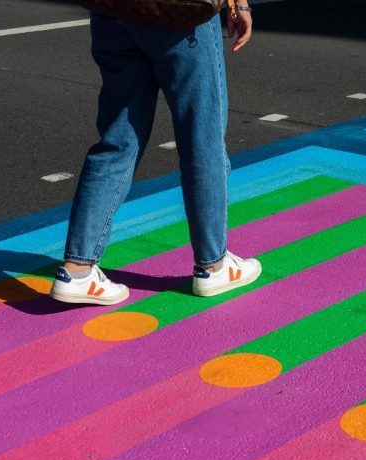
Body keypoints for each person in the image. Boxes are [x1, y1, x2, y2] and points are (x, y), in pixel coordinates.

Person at [49, 2, 260, 306]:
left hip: (113, 10)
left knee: (118, 137)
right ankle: (213, 264)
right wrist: (237, 4)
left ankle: (78, 269)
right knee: (202, 136)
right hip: (181, 15)